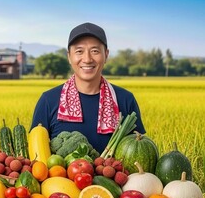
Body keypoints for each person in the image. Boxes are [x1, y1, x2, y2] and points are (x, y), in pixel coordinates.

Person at [30, 22, 145, 153]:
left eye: (95, 51)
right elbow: (36, 156)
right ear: (69, 56)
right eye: (79, 51)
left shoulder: (125, 100)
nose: (87, 59)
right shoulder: (48, 101)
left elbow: (139, 150)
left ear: (106, 55)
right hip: (58, 174)